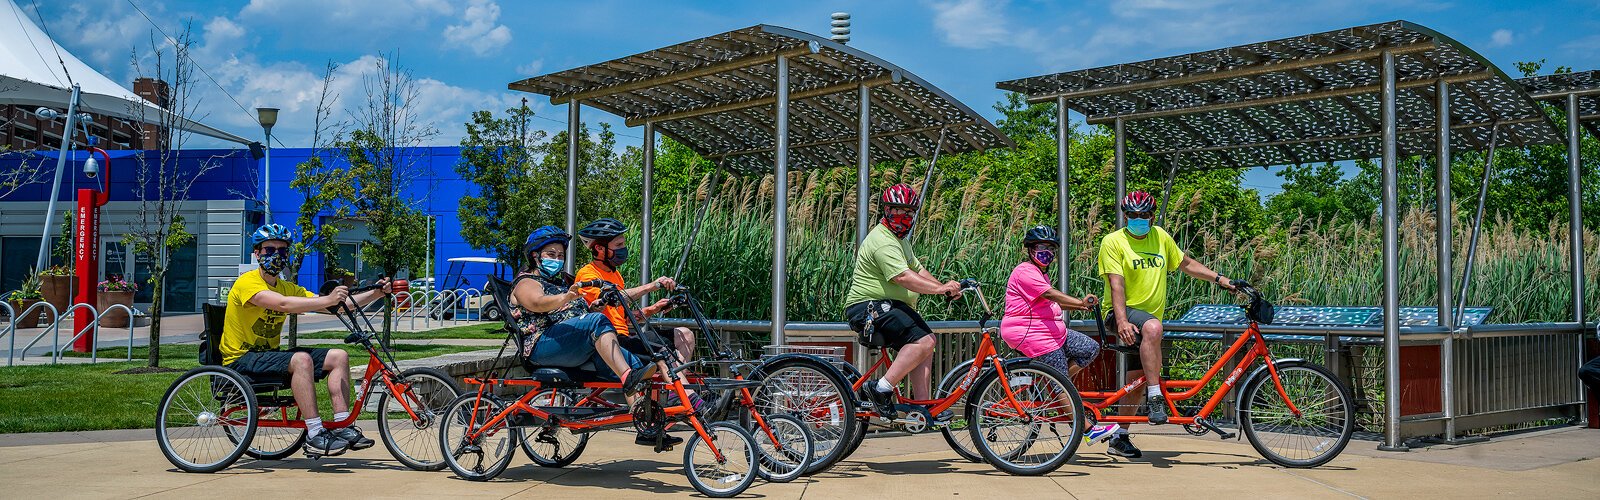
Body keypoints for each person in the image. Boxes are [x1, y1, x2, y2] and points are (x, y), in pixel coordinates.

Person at [222, 224, 391, 456]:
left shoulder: (286, 286)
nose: (276, 255)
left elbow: (338, 307)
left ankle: (342, 425)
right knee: (301, 359)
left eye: (282, 251)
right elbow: (283, 304)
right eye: (269, 249)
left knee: (338, 356)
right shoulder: (247, 282)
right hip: (241, 359)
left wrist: (377, 293)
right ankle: (314, 434)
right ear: (257, 254)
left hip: (267, 356)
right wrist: (328, 300)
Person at [1097, 191, 1238, 458]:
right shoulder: (1113, 241)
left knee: (1134, 381)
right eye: (1133, 215)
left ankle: (1119, 436)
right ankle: (1156, 397)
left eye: (1144, 215)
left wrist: (1220, 279)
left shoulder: (1160, 237)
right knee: (1153, 329)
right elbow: (1116, 284)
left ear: (1151, 217)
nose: (1138, 219)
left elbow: (1185, 263)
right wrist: (1122, 320)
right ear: (1126, 216)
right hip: (1120, 314)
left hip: (1148, 319)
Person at [508, 225, 659, 445]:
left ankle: (645, 425)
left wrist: (593, 308)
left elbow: (574, 315)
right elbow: (538, 303)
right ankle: (628, 378)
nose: (557, 259)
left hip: (569, 345)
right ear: (535, 255)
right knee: (597, 325)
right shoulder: (526, 282)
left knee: (633, 361)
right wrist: (567, 298)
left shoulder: (560, 282)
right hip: (542, 346)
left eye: (560, 255)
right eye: (551, 254)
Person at [572, 218, 704, 445]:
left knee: (684, 334)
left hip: (625, 335)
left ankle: (672, 392)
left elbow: (624, 316)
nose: (623, 249)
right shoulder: (587, 275)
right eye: (618, 245)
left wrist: (655, 308)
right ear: (600, 249)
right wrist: (653, 285)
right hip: (609, 342)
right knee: (661, 351)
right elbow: (613, 300)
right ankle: (684, 395)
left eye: (623, 243)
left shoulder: (615, 275)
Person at [845, 183, 963, 414]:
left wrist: (945, 287)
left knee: (926, 344)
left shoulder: (901, 241)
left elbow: (918, 270)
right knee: (925, 341)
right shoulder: (882, 240)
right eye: (899, 210)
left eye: (910, 212)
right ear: (887, 210)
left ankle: (921, 407)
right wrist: (940, 290)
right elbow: (903, 277)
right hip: (868, 308)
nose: (905, 216)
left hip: (888, 307)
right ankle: (880, 388)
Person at [1000, 225, 1120, 443]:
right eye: (1040, 247)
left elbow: (1051, 301)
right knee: (1061, 380)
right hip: (1032, 332)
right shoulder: (1025, 271)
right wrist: (1079, 302)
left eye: (1050, 248)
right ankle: (1087, 429)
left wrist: (1081, 306)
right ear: (1030, 249)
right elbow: (1050, 294)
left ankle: (1056, 385)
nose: (1046, 252)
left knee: (1089, 348)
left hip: (1051, 331)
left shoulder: (1040, 274)